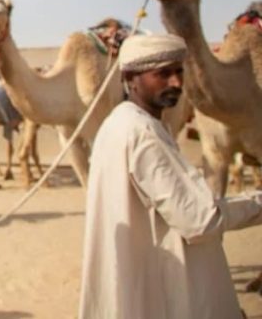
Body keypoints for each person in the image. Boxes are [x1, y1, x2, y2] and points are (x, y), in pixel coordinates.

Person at [79, 33, 262, 319]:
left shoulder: (119, 123)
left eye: (178, 71)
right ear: (130, 78)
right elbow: (201, 219)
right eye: (162, 74)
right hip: (167, 290)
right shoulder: (143, 133)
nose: (176, 82)